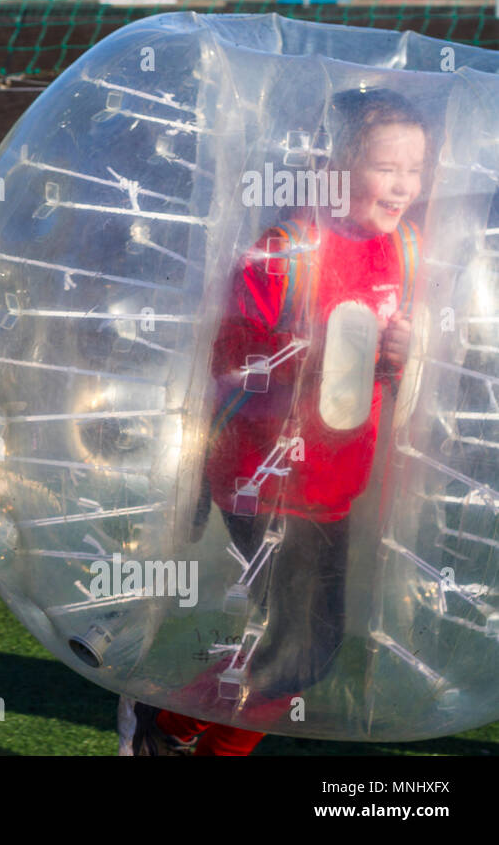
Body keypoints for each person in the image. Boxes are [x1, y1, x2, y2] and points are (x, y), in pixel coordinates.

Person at [121, 87, 429, 755]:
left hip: (331, 484)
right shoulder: (288, 250)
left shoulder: (403, 249)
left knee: (298, 650)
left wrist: (407, 352)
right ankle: (164, 721)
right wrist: (303, 350)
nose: (403, 185)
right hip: (266, 478)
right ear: (335, 167)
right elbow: (228, 356)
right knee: (301, 651)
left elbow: (400, 367)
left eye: (415, 169)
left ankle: (172, 729)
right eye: (386, 167)